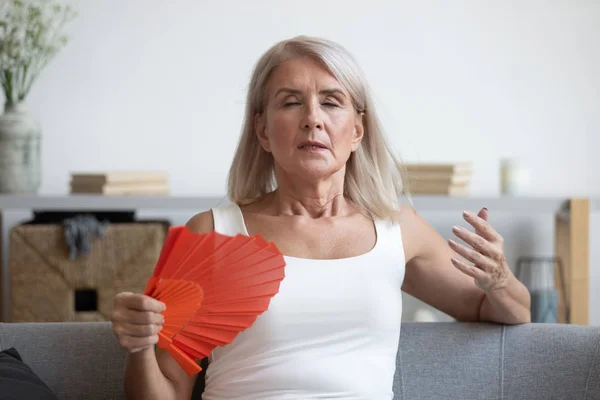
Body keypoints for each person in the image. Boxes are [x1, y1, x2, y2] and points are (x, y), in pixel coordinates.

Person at [110, 35, 531, 400]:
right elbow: (163, 394)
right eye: (291, 103)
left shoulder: (398, 230)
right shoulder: (213, 233)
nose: (313, 118)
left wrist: (499, 280)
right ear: (262, 131)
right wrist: (139, 347)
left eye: (331, 102)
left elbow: (506, 311)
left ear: (358, 130)